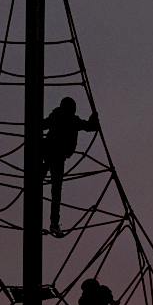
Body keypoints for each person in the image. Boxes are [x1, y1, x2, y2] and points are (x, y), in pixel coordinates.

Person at [42, 97, 100, 234]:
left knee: (56, 189)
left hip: (49, 152)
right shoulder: (73, 121)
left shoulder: (56, 117)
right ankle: (54, 223)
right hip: (58, 156)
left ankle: (43, 168)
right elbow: (91, 127)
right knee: (56, 191)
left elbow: (41, 125)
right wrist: (94, 118)